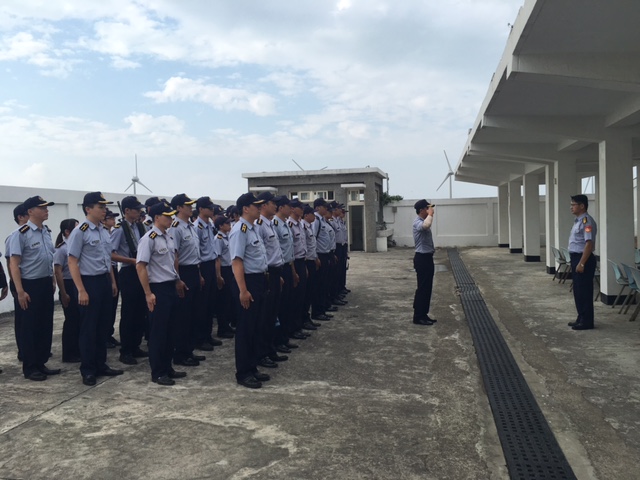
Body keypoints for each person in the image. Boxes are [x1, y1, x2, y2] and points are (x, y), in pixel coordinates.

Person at [67, 192, 123, 386]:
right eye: (100, 207)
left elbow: (107, 258)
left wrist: (113, 282)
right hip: (88, 283)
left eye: (104, 207)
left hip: (104, 282)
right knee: (88, 329)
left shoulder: (103, 230)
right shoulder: (80, 231)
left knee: (103, 326)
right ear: (88, 209)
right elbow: (72, 261)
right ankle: (88, 369)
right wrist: (81, 290)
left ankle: (101, 364)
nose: (104, 210)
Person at [136, 201, 187, 386]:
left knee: (171, 330)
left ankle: (168, 367)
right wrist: (148, 293)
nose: (171, 218)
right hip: (157, 289)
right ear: (157, 218)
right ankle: (158, 372)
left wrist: (178, 280)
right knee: (158, 332)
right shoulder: (148, 238)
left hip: (170, 286)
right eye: (167, 216)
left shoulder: (168, 237)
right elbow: (141, 266)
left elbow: (171, 263)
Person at [9, 196, 60, 381]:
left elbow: (49, 259)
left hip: (45, 282)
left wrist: (52, 280)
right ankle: (30, 367)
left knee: (44, 324)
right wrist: (20, 291)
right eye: (42, 208)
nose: (46, 210)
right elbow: (14, 264)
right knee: (29, 327)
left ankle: (41, 362)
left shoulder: (45, 231)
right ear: (30, 211)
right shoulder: (20, 234)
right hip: (29, 284)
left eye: (47, 207)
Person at [229, 192, 270, 389]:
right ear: (246, 208)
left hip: (260, 279)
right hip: (248, 282)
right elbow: (237, 262)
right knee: (245, 329)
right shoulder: (240, 230)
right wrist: (243, 290)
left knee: (256, 326)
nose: (259, 208)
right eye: (256, 205)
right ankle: (243, 372)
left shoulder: (253, 228)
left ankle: (252, 367)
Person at [111, 196, 149, 365]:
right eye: (136, 209)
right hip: (128, 272)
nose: (139, 212)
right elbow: (111, 254)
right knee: (129, 313)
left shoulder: (140, 227)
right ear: (126, 211)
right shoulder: (120, 229)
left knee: (140, 311)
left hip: (141, 271)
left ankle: (135, 346)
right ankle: (125, 350)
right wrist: (131, 261)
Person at [169, 193, 203, 367]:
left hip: (193, 271)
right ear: (179, 208)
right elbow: (174, 256)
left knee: (193, 315)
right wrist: (177, 279)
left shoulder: (190, 226)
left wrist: (198, 275)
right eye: (187, 205)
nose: (191, 208)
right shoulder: (175, 227)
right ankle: (180, 353)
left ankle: (189, 350)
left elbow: (194, 255)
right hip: (182, 272)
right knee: (182, 316)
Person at [193, 196, 223, 350]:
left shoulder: (210, 225)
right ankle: (200, 338)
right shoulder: (196, 227)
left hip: (212, 265)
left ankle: (208, 335)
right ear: (200, 210)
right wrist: (200, 274)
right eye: (209, 208)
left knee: (211, 303)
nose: (212, 210)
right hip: (202, 266)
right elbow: (196, 252)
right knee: (202, 305)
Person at [567, 194, 598, 331]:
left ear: (582, 206)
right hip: (576, 258)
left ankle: (587, 321)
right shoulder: (578, 221)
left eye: (573, 204)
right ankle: (581, 317)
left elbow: (589, 244)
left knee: (584, 291)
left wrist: (582, 263)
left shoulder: (587, 221)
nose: (571, 207)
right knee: (578, 291)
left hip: (583, 258)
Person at [53, 218, 81, 363]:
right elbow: (58, 272)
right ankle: (69, 353)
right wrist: (63, 293)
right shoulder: (62, 249)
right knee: (71, 321)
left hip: (77, 284)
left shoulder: (75, 247)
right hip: (68, 285)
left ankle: (77, 350)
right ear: (67, 232)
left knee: (79, 320)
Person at [5, 203, 30, 362]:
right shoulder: (15, 236)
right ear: (21, 217)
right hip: (20, 281)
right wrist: (15, 285)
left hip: (31, 280)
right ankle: (23, 350)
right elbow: (11, 264)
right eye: (27, 214)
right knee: (23, 319)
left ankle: (32, 349)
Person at [412, 199, 437, 326]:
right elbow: (426, 226)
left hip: (427, 257)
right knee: (423, 288)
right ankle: (418, 316)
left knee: (427, 288)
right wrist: (431, 215)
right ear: (422, 210)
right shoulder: (418, 222)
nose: (430, 210)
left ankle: (423, 313)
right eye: (427, 208)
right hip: (422, 258)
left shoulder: (423, 220)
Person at [103, 208, 121, 349]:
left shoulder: (108, 233)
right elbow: (111, 255)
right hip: (105, 271)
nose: (113, 221)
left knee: (111, 306)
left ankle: (108, 333)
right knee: (105, 308)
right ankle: (105, 336)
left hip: (111, 270)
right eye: (110, 218)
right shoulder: (108, 233)